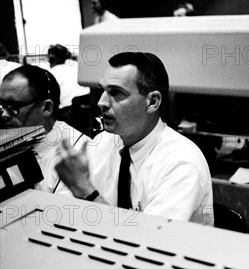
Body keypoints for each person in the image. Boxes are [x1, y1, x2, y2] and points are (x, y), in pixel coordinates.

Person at [55, 52, 214, 225]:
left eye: (116, 93)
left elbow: (146, 242)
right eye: (103, 90)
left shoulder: (181, 163)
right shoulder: (101, 144)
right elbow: (66, 212)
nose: (102, 102)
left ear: (152, 102)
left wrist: (86, 191)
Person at [1, 65, 85, 195]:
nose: (4, 115)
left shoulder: (77, 153)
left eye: (13, 107)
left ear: (46, 108)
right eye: (2, 106)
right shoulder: (12, 143)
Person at [47, 44, 90, 110]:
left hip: (69, 110)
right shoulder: (76, 64)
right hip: (89, 105)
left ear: (52, 58)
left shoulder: (53, 72)